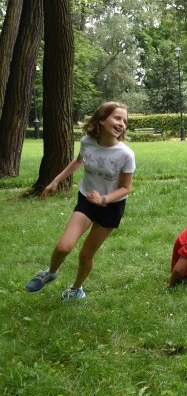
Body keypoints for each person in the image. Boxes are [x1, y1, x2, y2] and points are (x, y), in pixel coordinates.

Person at [25, 102, 136, 301]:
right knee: (63, 247)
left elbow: (126, 188)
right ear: (102, 119)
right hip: (86, 199)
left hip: (111, 207)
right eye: (117, 118)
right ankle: (50, 273)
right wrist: (55, 181)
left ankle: (76, 289)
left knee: (85, 255)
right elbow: (78, 161)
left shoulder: (126, 154)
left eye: (125, 121)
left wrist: (103, 199)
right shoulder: (87, 141)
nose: (122, 124)